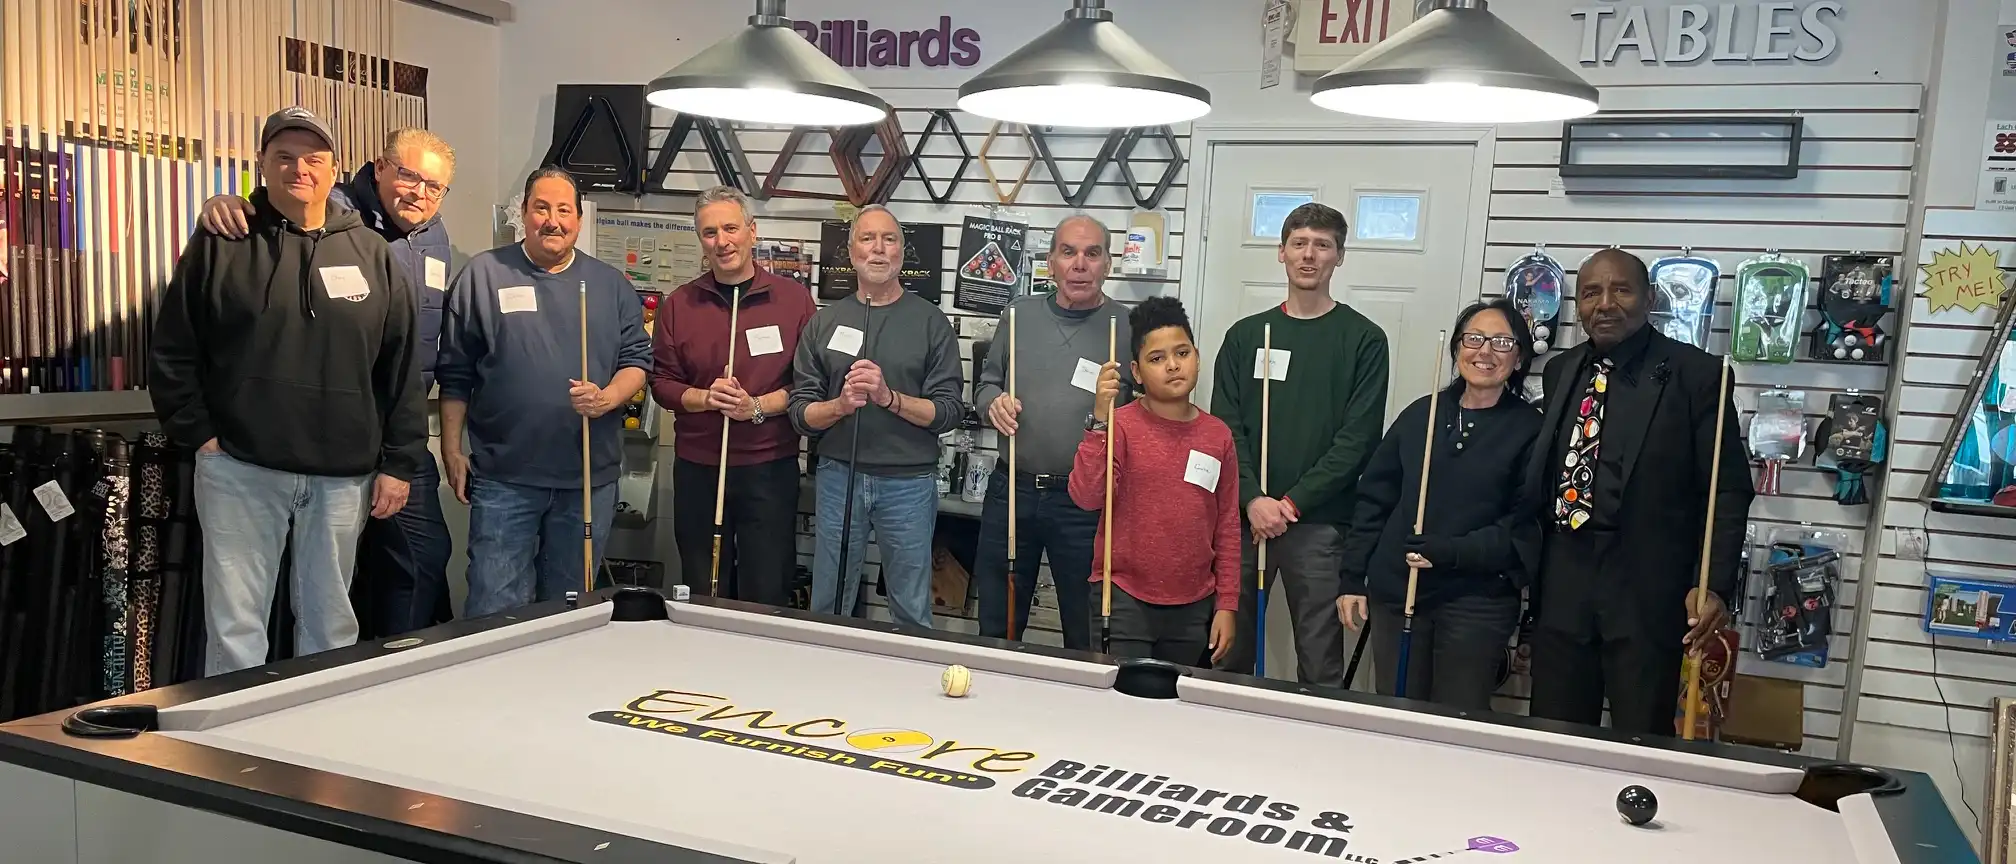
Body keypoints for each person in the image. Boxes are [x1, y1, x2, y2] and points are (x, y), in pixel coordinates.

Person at [149, 107, 428, 675]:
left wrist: (399, 462)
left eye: (313, 159)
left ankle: (315, 749)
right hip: (240, 470)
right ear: (262, 165)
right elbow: (174, 347)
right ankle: (229, 751)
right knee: (236, 629)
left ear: (335, 169)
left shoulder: (373, 255)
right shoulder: (223, 241)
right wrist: (197, 433)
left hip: (341, 477)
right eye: (284, 157)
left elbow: (400, 368)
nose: (299, 168)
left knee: (331, 626)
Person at [199, 127, 459, 640]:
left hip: (386, 436)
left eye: (434, 186)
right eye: (408, 175)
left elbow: (405, 355)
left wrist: (402, 453)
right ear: (378, 167)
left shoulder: (434, 237)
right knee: (254, 610)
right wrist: (225, 202)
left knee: (409, 562)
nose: (420, 193)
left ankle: (384, 675)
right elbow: (277, 208)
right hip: (278, 447)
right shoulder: (331, 213)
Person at [1518, 248, 1751, 737]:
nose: (1605, 303)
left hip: (1649, 591)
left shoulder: (1698, 375)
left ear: (1648, 298)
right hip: (1564, 580)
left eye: (1620, 289)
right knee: (1554, 735)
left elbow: (1727, 490)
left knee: (1641, 735)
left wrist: (1714, 583)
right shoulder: (1562, 372)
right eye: (1590, 293)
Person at [435, 167, 653, 618]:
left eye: (563, 210)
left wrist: (608, 398)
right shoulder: (483, 275)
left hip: (587, 480)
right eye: (541, 208)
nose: (552, 220)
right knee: (496, 608)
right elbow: (455, 373)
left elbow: (637, 363)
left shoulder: (610, 286)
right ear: (524, 214)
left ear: (578, 218)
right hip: (504, 479)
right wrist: (451, 448)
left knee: (571, 611)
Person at [1210, 202, 1390, 687]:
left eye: (1322, 245)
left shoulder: (1364, 340)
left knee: (1320, 660)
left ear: (1339, 257)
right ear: (1282, 253)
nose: (1309, 256)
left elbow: (1357, 440)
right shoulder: (1246, 336)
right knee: (1227, 650)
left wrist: (1288, 504)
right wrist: (1252, 498)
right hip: (1244, 519)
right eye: (1299, 243)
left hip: (1319, 525)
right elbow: (1225, 431)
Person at [1338, 299, 1543, 710]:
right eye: (1474, 339)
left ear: (1519, 358)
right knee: (1397, 716)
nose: (1485, 351)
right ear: (1456, 350)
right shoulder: (1420, 416)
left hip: (1476, 602)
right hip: (1399, 594)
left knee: (1457, 719)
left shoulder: (1531, 430)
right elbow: (1374, 500)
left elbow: (1524, 527)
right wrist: (1352, 577)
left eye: (1502, 342)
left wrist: (1450, 552)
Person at [788, 205, 964, 629]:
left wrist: (889, 398)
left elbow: (949, 412)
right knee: (830, 600)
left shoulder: (931, 323)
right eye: (868, 239)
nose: (878, 249)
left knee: (909, 603)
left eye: (889, 239)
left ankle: (910, 689)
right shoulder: (824, 323)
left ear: (903, 253)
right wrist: (840, 406)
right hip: (838, 477)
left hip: (909, 483)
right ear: (851, 252)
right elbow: (800, 414)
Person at [972, 214, 1134, 649]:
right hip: (1013, 490)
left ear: (1108, 264)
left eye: (1092, 253)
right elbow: (986, 384)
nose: (1080, 264)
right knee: (998, 623)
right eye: (1068, 252)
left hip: (1087, 503)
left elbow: (1144, 416)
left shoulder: (1128, 325)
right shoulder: (1018, 315)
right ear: (1050, 262)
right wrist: (992, 404)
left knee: (1084, 632)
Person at [650, 186, 814, 606]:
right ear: (700, 241)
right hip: (699, 469)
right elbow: (662, 384)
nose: (722, 241)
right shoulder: (679, 304)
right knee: (702, 585)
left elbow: (811, 386)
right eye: (709, 233)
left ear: (752, 232)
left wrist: (756, 407)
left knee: (767, 586)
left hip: (769, 467)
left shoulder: (793, 300)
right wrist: (705, 398)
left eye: (730, 228)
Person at [1069, 297, 1237, 665]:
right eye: (1157, 359)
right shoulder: (1120, 425)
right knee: (1119, 709)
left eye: (1182, 353)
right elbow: (1087, 496)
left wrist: (1227, 602)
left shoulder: (1218, 435)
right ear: (1137, 372)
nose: (1173, 365)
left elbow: (1227, 525)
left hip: (1194, 604)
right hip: (1123, 597)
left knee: (1176, 711)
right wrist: (1100, 418)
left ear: (1197, 356)